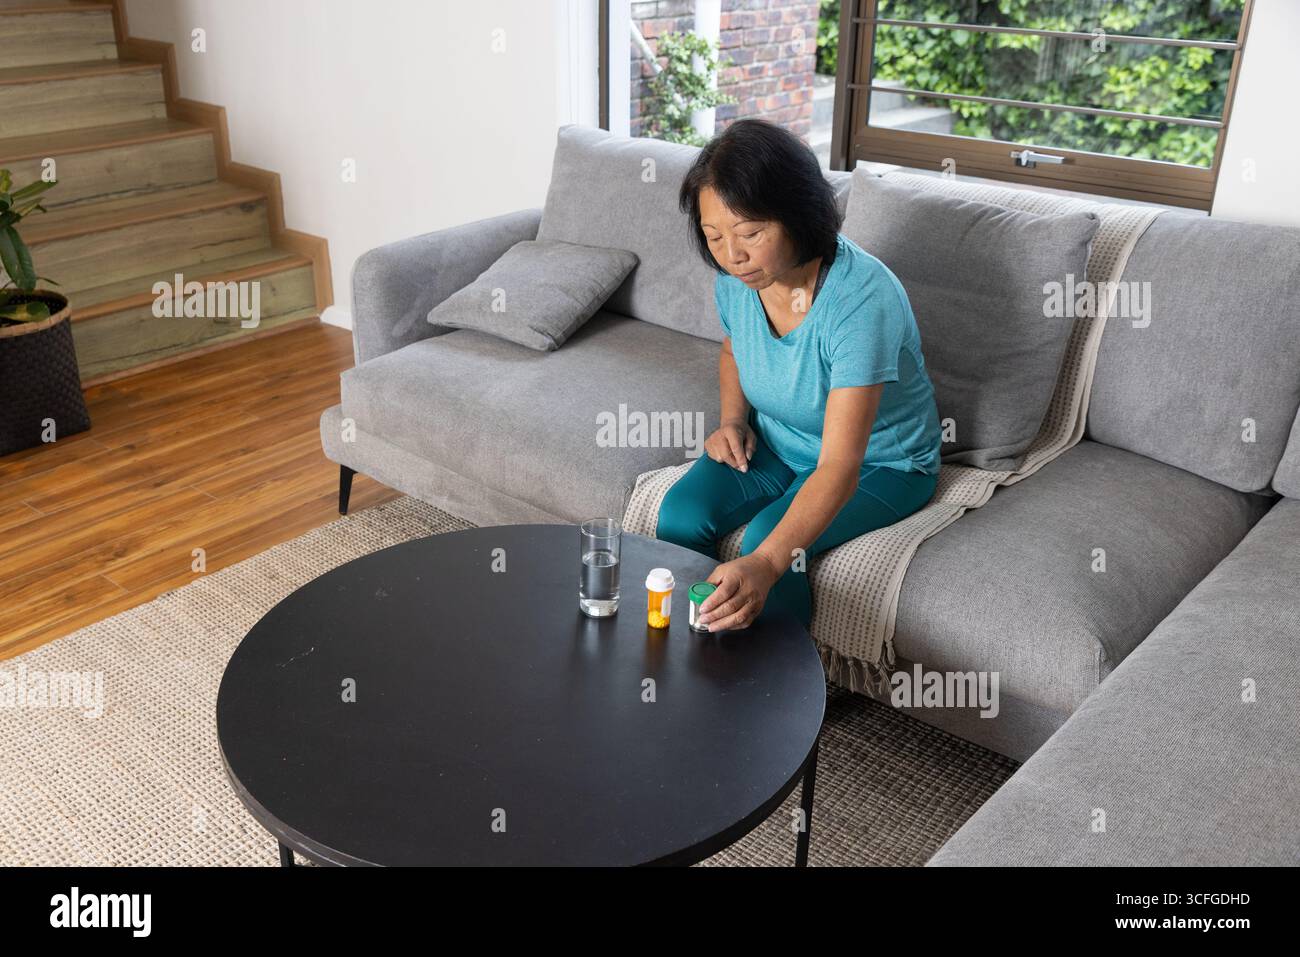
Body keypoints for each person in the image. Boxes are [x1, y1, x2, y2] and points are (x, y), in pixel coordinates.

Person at [656, 119, 942, 632]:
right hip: (780, 441)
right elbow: (733, 350)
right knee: (680, 514)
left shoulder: (862, 300)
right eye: (713, 236)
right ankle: (693, 649)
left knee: (769, 542)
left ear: (798, 213)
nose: (731, 255)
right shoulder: (738, 278)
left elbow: (838, 466)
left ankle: (778, 692)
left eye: (750, 233)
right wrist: (732, 420)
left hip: (882, 465)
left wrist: (765, 564)